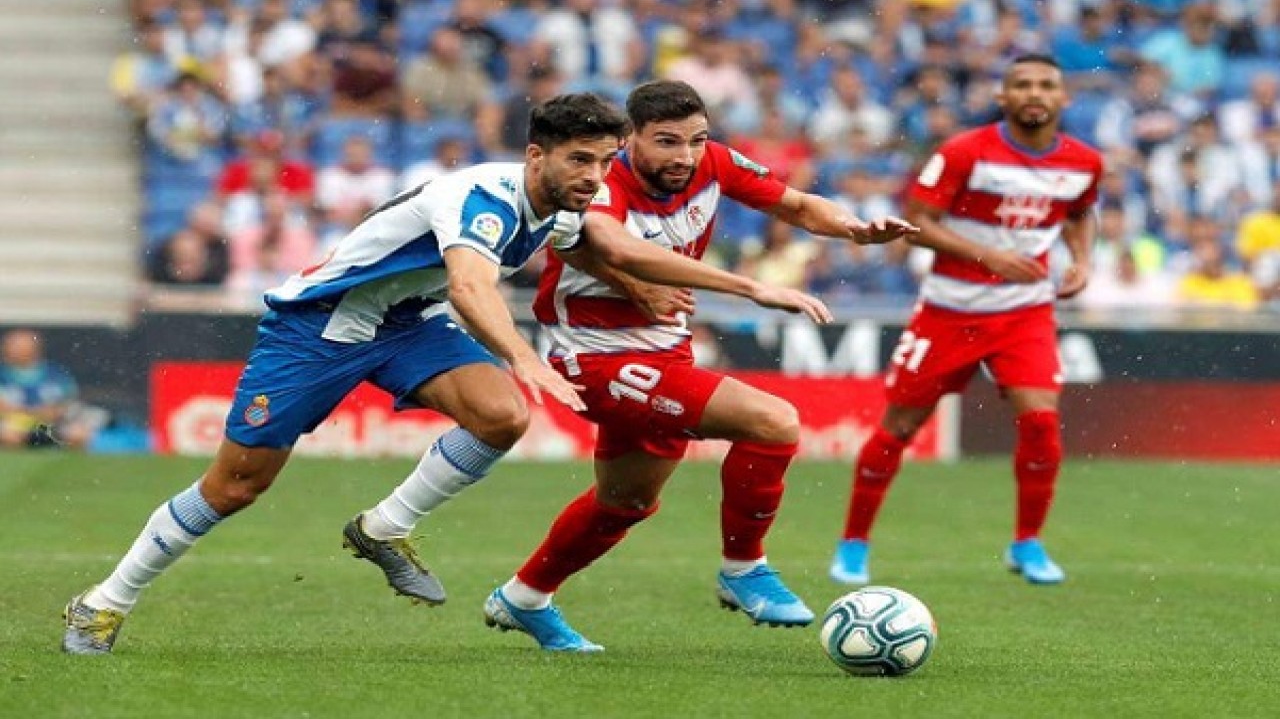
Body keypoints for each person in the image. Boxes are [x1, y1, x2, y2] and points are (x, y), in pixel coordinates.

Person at [61, 92, 830, 656]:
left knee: (501, 416)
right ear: (537, 155)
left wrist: (660, 286)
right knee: (235, 487)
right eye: (578, 160)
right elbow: (469, 285)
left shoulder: (559, 205)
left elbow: (601, 249)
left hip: (406, 324)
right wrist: (526, 358)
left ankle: (382, 527)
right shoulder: (484, 196)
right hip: (318, 329)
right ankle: (102, 602)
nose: (596, 175)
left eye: (603, 160)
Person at [483, 80, 917, 652]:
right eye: (666, 142)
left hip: (664, 348)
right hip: (592, 354)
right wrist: (749, 289)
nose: (684, 157)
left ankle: (524, 597)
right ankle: (743, 568)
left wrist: (854, 227)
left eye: (696, 140)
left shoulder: (711, 163)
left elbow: (795, 204)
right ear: (629, 139)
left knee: (624, 502)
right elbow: (615, 248)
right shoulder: (601, 179)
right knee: (773, 422)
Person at [829, 55, 1104, 587]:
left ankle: (1027, 543)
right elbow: (915, 224)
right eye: (1022, 84)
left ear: (1063, 98)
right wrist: (988, 256)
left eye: (1047, 85)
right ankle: (853, 543)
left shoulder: (1084, 162)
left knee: (1042, 421)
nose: (1035, 93)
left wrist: (1084, 260)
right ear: (1002, 97)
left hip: (1025, 312)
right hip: (948, 312)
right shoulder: (964, 151)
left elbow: (1078, 212)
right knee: (900, 427)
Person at [0, 329, 106, 450]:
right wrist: (31, 413)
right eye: (11, 345)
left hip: (52, 424)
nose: (13, 350)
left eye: (20, 346)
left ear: (35, 348)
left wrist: (51, 413)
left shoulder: (55, 374)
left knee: (78, 434)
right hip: (14, 423)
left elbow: (68, 401)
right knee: (7, 435)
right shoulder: (2, 374)